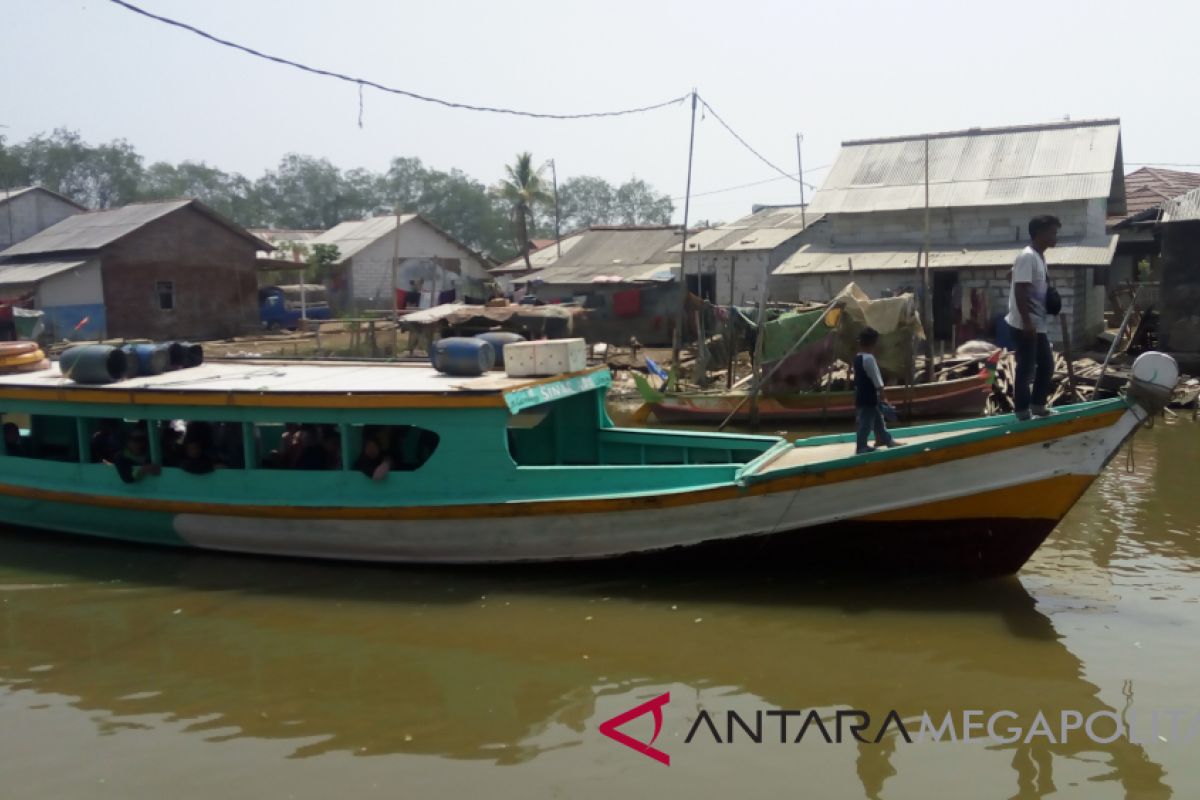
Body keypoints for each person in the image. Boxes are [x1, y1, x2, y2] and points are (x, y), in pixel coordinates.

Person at [1005, 215, 1060, 420]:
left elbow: (1011, 277)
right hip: (1024, 324)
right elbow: (1020, 290)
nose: (1056, 237)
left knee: (1046, 364)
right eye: (1052, 232)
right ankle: (1022, 411)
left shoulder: (1037, 256)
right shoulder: (1028, 256)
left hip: (1037, 323)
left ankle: (1037, 405)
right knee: (1027, 367)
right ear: (1039, 233)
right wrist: (1027, 321)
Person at [853, 327, 902, 455]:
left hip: (861, 395)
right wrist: (883, 396)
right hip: (869, 396)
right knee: (866, 423)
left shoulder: (857, 358)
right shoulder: (869, 359)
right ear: (874, 343)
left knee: (878, 419)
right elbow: (877, 379)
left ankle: (885, 439)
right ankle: (861, 447)